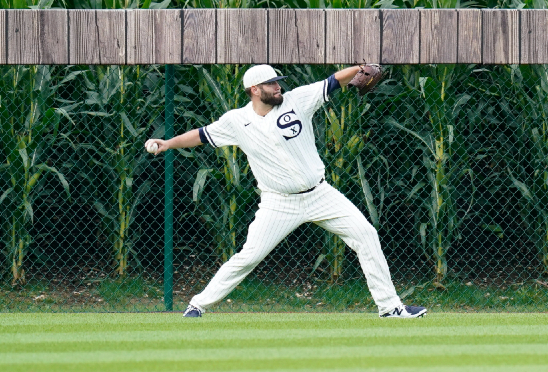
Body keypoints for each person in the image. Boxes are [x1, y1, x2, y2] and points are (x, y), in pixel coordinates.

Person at [145, 64, 426, 319]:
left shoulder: (297, 100)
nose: (279, 86)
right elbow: (202, 135)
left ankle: (390, 307)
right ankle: (197, 305)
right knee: (249, 256)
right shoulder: (236, 121)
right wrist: (168, 143)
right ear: (254, 90)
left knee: (366, 235)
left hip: (320, 194)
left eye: (279, 81)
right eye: (272, 83)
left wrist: (360, 68)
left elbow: (332, 82)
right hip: (278, 204)